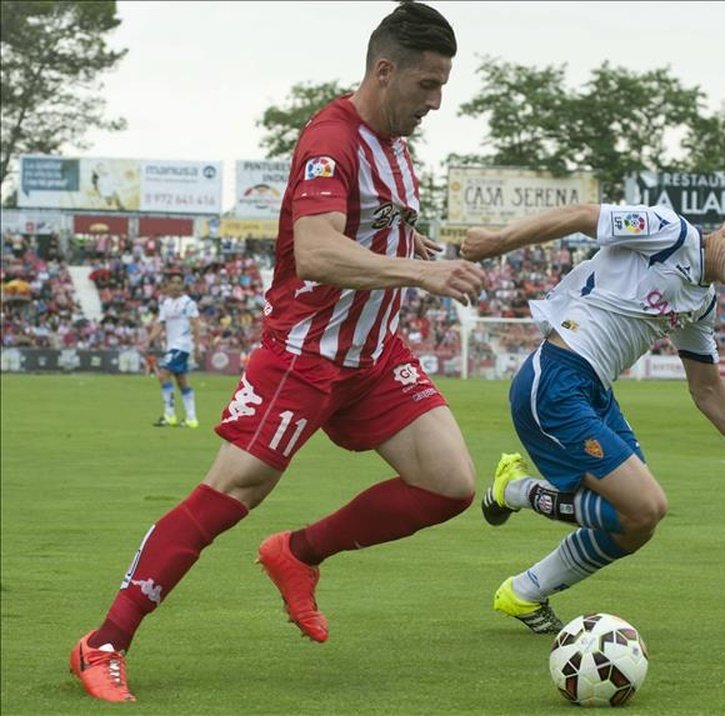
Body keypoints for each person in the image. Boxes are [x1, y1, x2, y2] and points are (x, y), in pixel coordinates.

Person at [70, 2, 485, 703]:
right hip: (306, 354)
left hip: (373, 354)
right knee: (232, 492)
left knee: (449, 485)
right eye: (427, 85)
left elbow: (373, 235)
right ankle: (102, 641)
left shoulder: (398, 149)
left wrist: (426, 252)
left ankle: (298, 553)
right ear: (384, 72)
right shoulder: (333, 138)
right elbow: (319, 252)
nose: (436, 102)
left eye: (444, 86)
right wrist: (422, 274)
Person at [460, 196, 725, 633]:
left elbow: (707, 387)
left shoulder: (702, 302)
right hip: (555, 381)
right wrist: (497, 241)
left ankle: (525, 593)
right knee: (644, 508)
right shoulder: (669, 232)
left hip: (596, 393)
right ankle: (518, 492)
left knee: (635, 526)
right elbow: (586, 214)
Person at [146, 270, 202, 427]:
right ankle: (191, 418)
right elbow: (160, 324)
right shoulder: (166, 303)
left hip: (182, 345)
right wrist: (150, 338)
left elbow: (196, 325)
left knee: (163, 375)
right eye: (173, 282)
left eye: (179, 283)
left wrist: (197, 347)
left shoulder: (188, 303)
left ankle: (169, 415)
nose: (176, 286)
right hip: (171, 346)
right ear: (168, 285)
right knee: (182, 381)